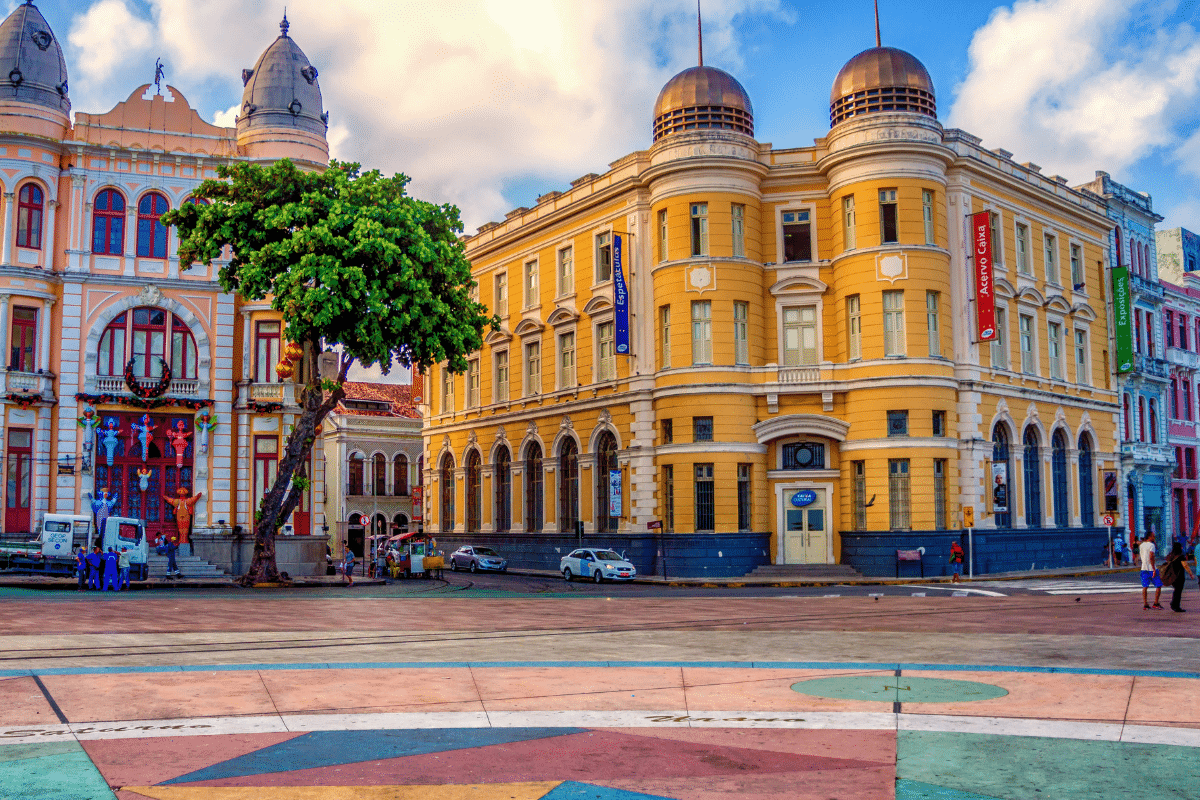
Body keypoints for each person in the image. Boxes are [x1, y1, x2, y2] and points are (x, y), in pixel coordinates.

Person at [1160, 541, 1196, 613]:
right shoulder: (1180, 556)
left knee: (1176, 591)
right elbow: (1185, 565)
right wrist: (1191, 574)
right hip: (1179, 576)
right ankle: (1176, 606)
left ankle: (1174, 603)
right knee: (1178, 591)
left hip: (1172, 575)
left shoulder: (1171, 555)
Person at [1139, 533, 1164, 610]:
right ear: (1149, 537)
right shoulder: (1151, 545)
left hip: (1143, 568)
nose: (1154, 537)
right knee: (1158, 585)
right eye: (1153, 536)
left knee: (1145, 586)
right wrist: (1153, 569)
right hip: (1151, 568)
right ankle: (1156, 603)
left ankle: (1145, 604)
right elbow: (1151, 556)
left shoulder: (1141, 545)